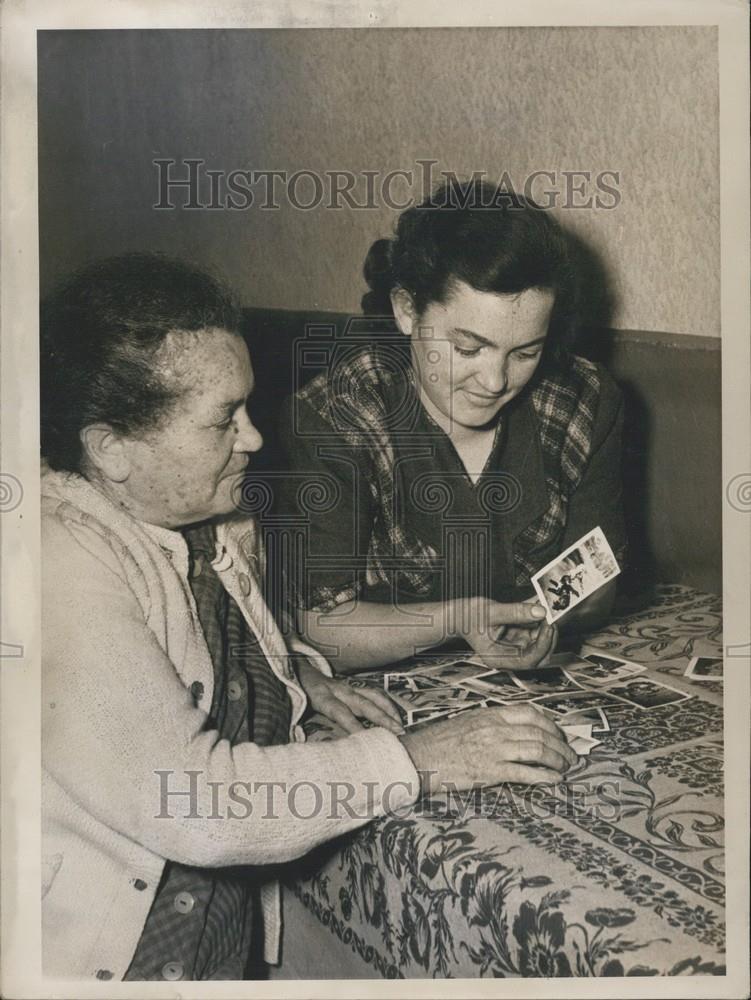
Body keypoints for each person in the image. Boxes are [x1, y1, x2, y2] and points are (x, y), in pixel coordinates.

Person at [40, 252, 578, 981]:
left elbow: (204, 639)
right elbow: (190, 801)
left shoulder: (207, 516)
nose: (254, 438)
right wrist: (419, 759)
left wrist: (290, 671)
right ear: (112, 450)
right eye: (223, 420)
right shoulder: (54, 556)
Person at [274, 179, 625, 674]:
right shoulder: (340, 414)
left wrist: (544, 618)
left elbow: (597, 581)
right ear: (405, 310)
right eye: (467, 348)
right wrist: (461, 619)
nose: (496, 380)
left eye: (526, 352)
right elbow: (322, 627)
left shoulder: (580, 402)